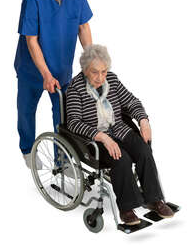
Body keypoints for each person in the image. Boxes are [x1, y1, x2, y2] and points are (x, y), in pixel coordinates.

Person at [66, 44, 174, 226]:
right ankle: (126, 207)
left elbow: (132, 101)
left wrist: (143, 121)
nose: (101, 77)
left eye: (104, 71)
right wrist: (103, 137)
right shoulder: (75, 89)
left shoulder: (112, 80)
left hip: (120, 129)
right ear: (85, 70)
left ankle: (153, 199)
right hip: (96, 139)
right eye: (95, 72)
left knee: (144, 150)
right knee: (121, 159)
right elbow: (74, 123)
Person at [14, 0, 93, 169]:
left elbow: (83, 27)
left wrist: (91, 59)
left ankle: (62, 158)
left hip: (62, 67)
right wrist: (46, 74)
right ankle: (28, 150)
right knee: (26, 110)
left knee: (63, 114)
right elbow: (31, 41)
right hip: (32, 69)